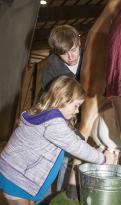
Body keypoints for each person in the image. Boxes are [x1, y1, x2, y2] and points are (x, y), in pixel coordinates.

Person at [0, 76, 117, 205]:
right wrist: (103, 158)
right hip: (16, 177)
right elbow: (76, 146)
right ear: (63, 100)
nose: (77, 111)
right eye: (76, 106)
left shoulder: (48, 116)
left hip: (19, 173)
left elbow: (71, 137)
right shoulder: (54, 123)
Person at [39, 24, 84, 194]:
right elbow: (51, 102)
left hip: (81, 113)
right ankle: (51, 198)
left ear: (79, 41)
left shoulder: (91, 57)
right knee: (61, 157)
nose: (71, 57)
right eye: (64, 53)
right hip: (58, 114)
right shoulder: (52, 67)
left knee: (73, 158)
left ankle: (62, 195)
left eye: (73, 50)